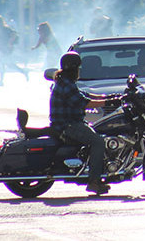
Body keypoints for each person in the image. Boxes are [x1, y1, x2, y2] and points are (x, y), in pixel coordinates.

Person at [49, 52, 116, 195]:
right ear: (73, 68)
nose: (80, 70)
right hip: (67, 126)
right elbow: (84, 103)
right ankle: (94, 182)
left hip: (69, 124)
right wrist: (108, 102)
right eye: (78, 67)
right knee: (98, 142)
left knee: (97, 134)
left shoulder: (65, 81)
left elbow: (85, 95)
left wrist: (111, 97)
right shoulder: (66, 84)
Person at [0, 15, 28, 85]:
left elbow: (14, 34)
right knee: (9, 64)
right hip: (2, 48)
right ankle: (23, 71)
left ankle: (1, 81)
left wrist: (10, 43)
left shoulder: (5, 28)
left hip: (7, 49)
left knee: (2, 63)